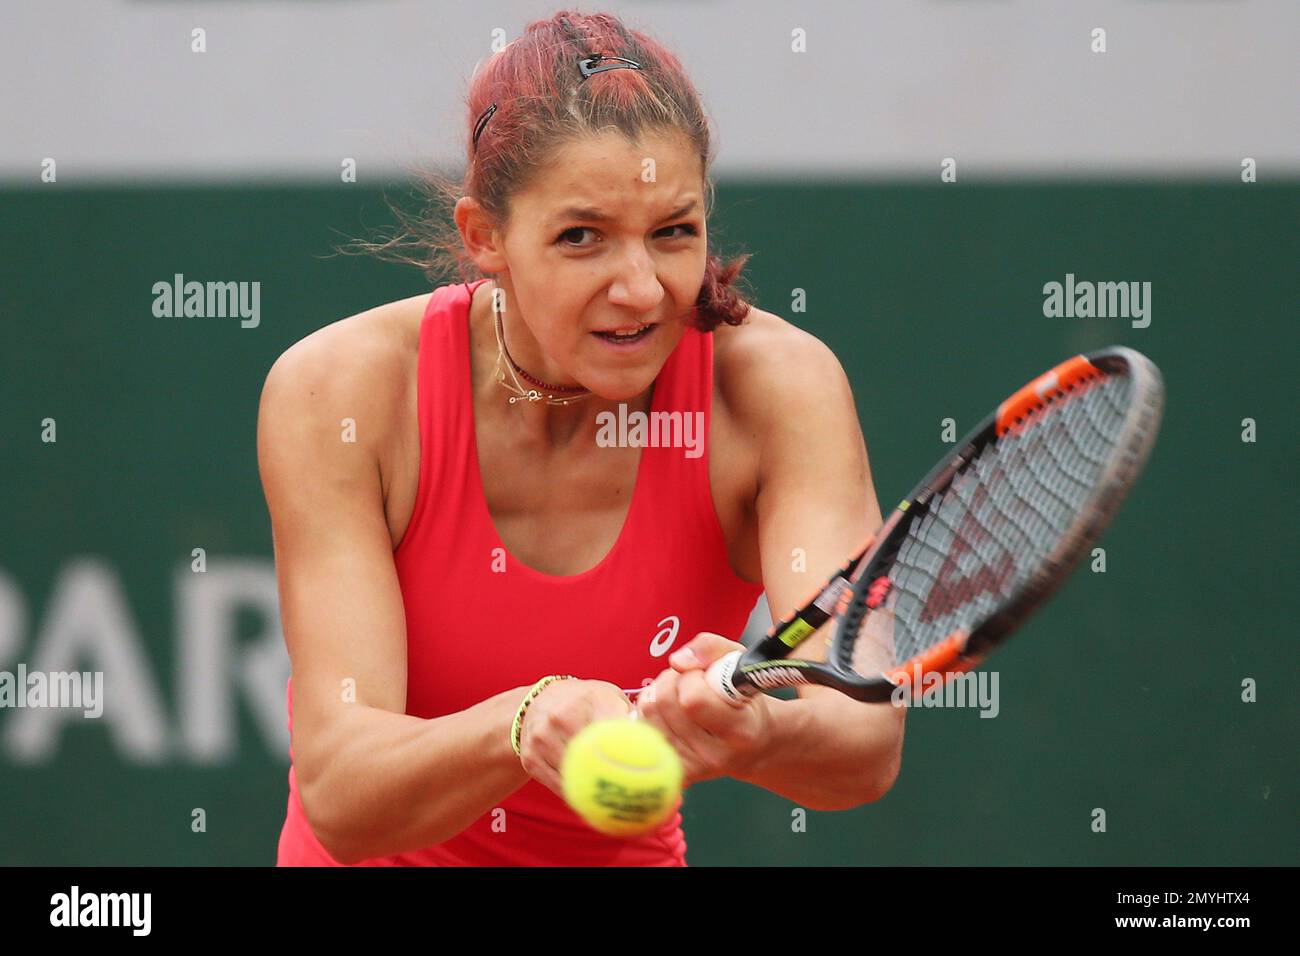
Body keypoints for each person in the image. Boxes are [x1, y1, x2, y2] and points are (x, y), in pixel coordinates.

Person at [258, 9, 904, 867]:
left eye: (673, 231)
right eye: (581, 238)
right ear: (484, 237)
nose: (640, 289)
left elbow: (863, 744)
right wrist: (523, 722)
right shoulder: (339, 391)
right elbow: (342, 793)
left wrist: (753, 734)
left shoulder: (778, 391)